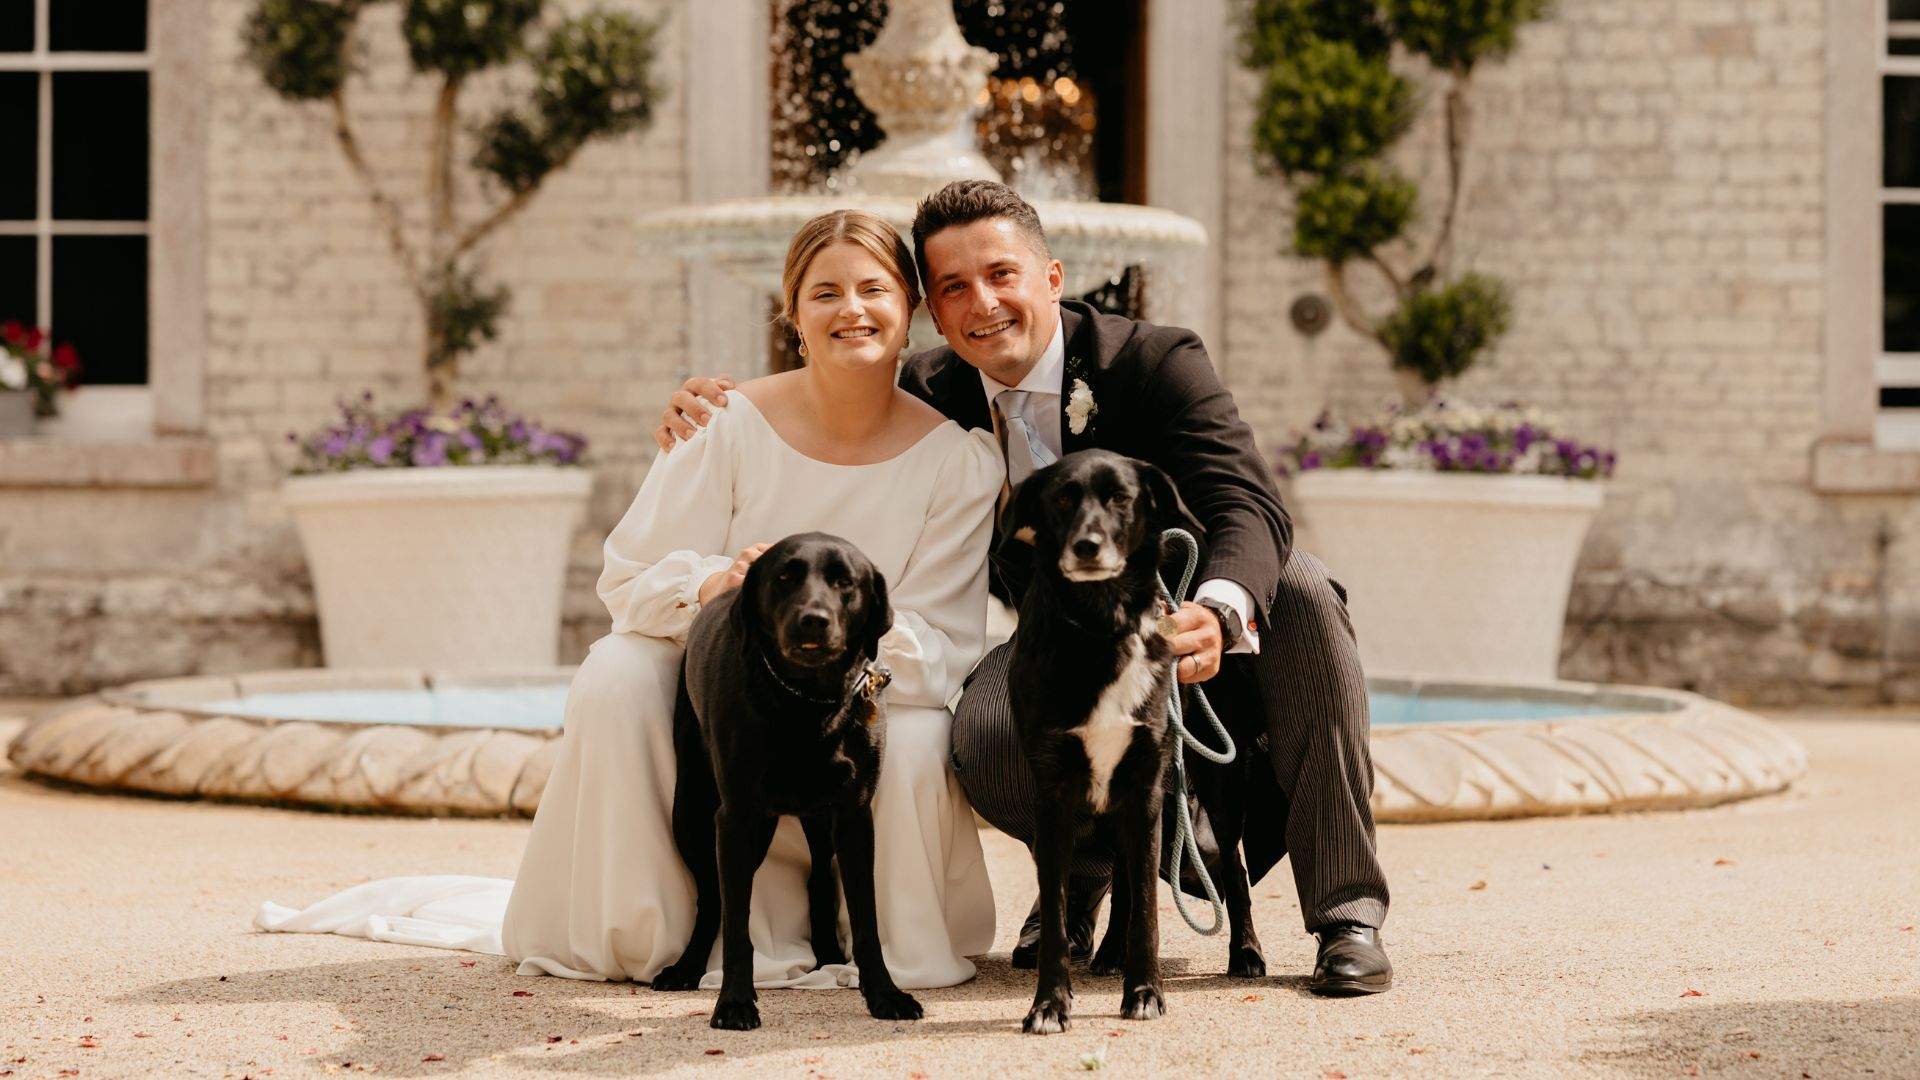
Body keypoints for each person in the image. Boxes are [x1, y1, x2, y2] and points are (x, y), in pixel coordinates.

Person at [656, 179, 1393, 995]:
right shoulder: (928, 395)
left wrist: (1219, 608)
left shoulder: (1156, 360)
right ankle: (1083, 876)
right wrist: (705, 406)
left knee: (1308, 591)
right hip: (1053, 638)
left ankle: (1346, 914)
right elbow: (820, 423)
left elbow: (1244, 501)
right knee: (978, 733)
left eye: (1002, 274)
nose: (983, 302)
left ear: (1052, 277)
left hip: (1178, 619)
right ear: (932, 309)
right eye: (954, 287)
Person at [258, 209, 1001, 992]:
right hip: (730, 683)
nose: (851, 309)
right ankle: (649, 929)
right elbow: (630, 578)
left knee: (913, 737)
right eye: (825, 293)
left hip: (866, 688)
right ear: (793, 315)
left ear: (909, 307)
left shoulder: (957, 461)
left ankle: (873, 941)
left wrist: (834, 679)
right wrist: (718, 585)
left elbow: (941, 645)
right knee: (617, 672)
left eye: (873, 288)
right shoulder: (723, 421)